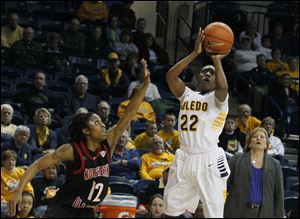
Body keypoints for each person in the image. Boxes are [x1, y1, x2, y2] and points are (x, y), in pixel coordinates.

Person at [7, 59, 150, 218]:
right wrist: (18, 191)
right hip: (63, 210)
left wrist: (145, 83)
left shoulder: (108, 142)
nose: (103, 125)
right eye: (96, 122)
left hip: (87, 210)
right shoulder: (71, 150)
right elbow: (36, 165)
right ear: (86, 130)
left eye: (102, 122)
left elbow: (129, 113)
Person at [163, 28, 230, 218]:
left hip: (208, 158)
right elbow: (170, 77)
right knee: (170, 209)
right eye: (204, 72)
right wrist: (195, 53)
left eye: (211, 72)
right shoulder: (187, 95)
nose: (207, 74)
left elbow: (223, 86)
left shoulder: (219, 100)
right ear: (198, 77)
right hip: (184, 156)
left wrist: (216, 60)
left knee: (213, 213)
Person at [224, 127, 284, 218]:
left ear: (267, 144)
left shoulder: (275, 164)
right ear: (249, 144)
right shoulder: (237, 159)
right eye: (255, 136)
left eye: (262, 137)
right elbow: (223, 183)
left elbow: (279, 193)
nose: (258, 138)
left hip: (264, 213)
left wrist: (279, 215)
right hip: (237, 212)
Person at [1, 150, 34, 218]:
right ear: (3, 162)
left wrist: (26, 201)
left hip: (21, 201)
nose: (11, 162)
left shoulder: (21, 172)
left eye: (13, 160)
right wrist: (4, 201)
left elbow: (29, 189)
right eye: (8, 160)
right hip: (5, 202)